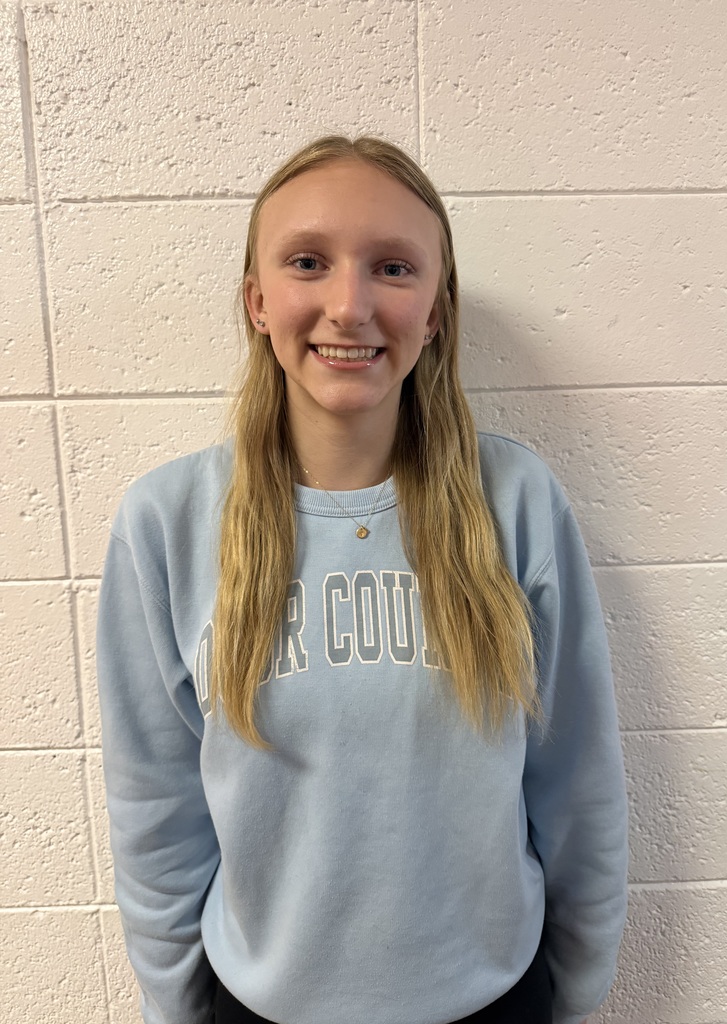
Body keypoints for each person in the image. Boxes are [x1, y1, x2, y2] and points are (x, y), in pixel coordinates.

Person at [97, 135, 628, 1024]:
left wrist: (573, 994)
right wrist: (176, 1007)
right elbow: (156, 811)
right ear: (258, 302)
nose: (349, 306)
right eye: (309, 262)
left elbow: (578, 783)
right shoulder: (167, 524)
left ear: (435, 313)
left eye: (392, 267)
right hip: (258, 1007)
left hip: (494, 1002)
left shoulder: (518, 503)